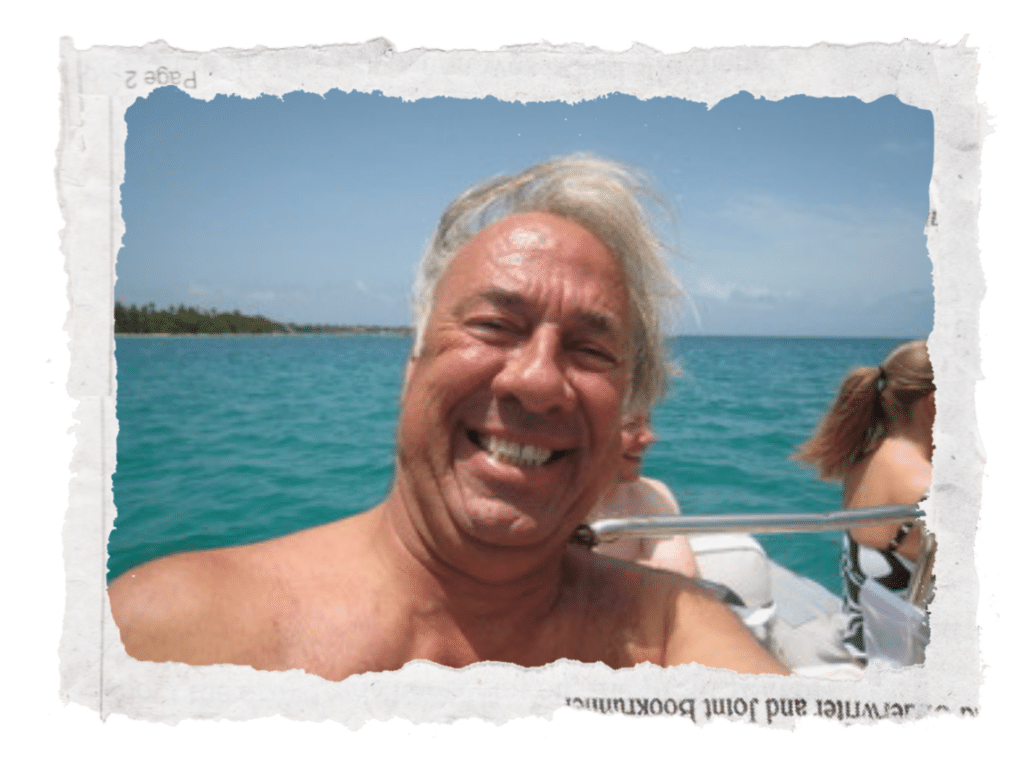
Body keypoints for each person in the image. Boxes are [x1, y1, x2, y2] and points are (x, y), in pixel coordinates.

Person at [109, 155, 787, 678]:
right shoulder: (177, 631)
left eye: (588, 348)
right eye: (494, 325)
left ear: (623, 420)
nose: (539, 380)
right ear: (412, 368)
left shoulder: (676, 642)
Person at [793, 340, 935, 659]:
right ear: (934, 402)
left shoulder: (864, 460)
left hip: (864, 646)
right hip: (913, 666)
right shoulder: (928, 488)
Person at [588, 413, 699, 577]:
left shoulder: (650, 493)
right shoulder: (543, 501)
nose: (650, 438)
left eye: (648, 424)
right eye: (631, 426)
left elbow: (685, 578)